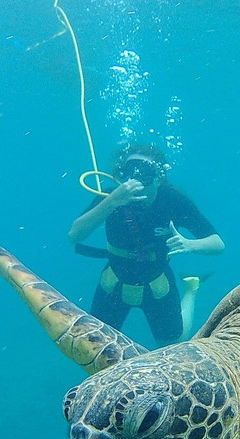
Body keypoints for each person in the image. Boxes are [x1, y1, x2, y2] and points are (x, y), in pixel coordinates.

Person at [68, 143, 225, 345]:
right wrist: (112, 201)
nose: (136, 182)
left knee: (174, 342)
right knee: (95, 343)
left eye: (145, 174)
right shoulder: (111, 197)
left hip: (157, 282)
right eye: (129, 173)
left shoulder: (173, 201)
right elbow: (74, 235)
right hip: (114, 280)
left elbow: (218, 244)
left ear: (159, 178)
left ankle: (192, 288)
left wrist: (189, 245)